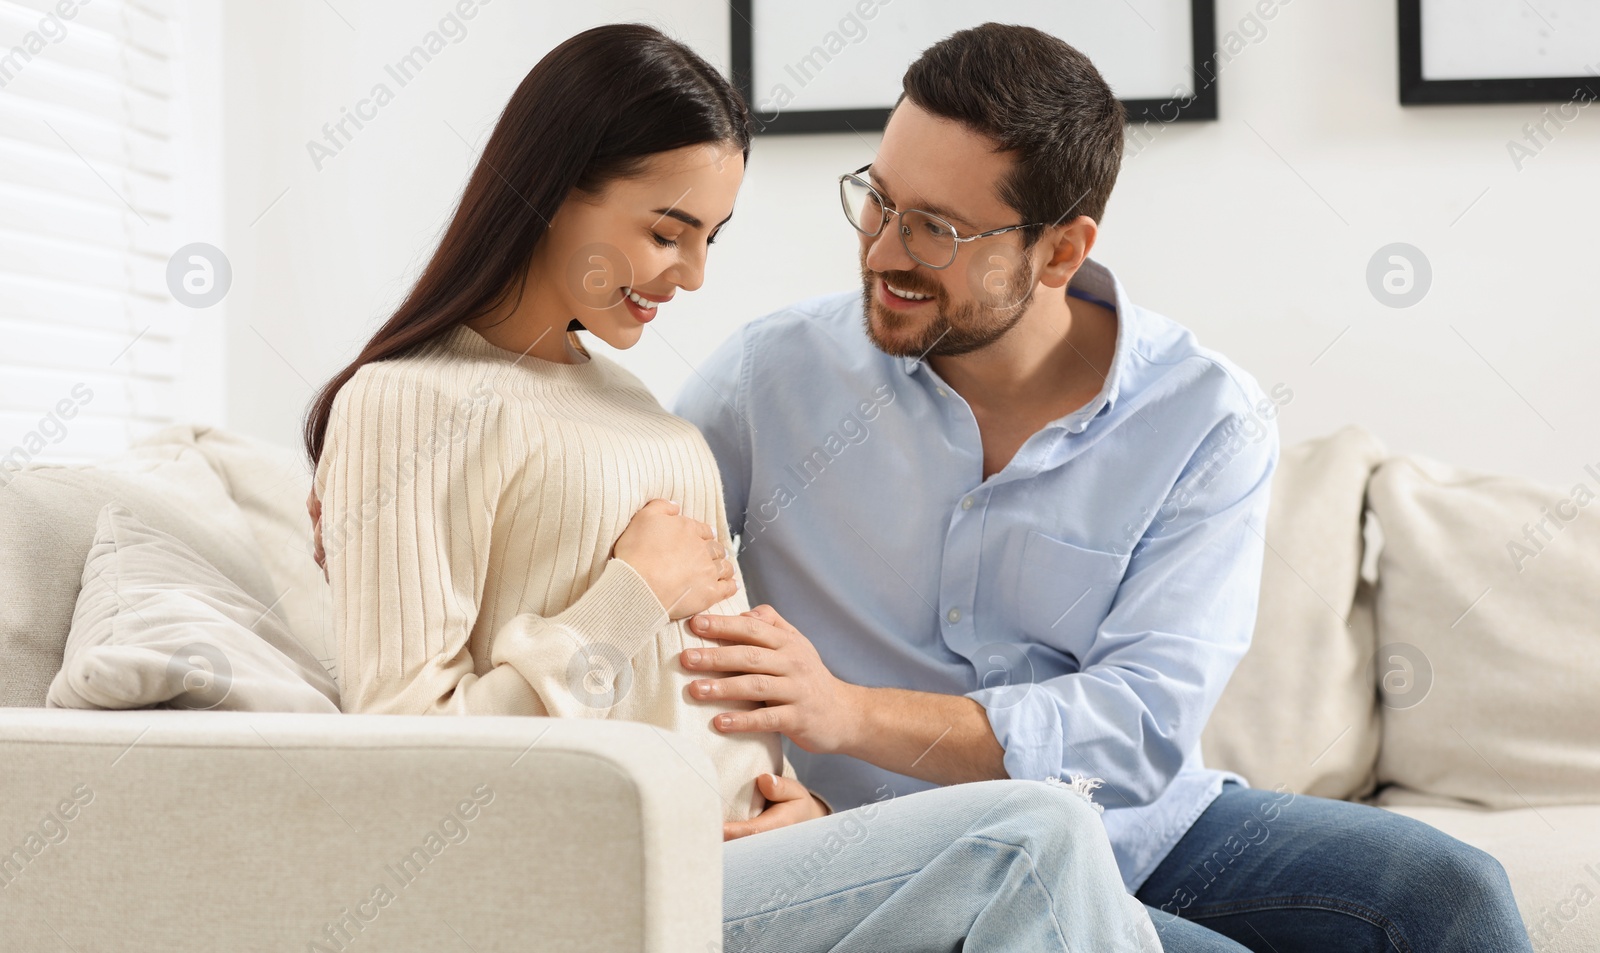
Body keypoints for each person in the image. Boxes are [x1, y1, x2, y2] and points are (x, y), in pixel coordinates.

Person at [672, 21, 1536, 953]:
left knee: (1453, 893)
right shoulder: (771, 380)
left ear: (1059, 251)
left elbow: (1139, 728)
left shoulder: (1204, 416)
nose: (884, 252)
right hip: (898, 849)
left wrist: (848, 710)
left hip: (1140, 828)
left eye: (938, 230)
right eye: (879, 202)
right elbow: (640, 579)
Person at [303, 22, 1162, 952]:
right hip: (597, 877)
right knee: (1035, 831)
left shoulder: (631, 402)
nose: (696, 274)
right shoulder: (410, 402)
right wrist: (633, 597)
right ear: (550, 190)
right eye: (667, 232)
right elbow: (402, 764)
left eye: (710, 238)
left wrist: (809, 808)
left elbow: (706, 690)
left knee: (1066, 852)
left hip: (746, 854)